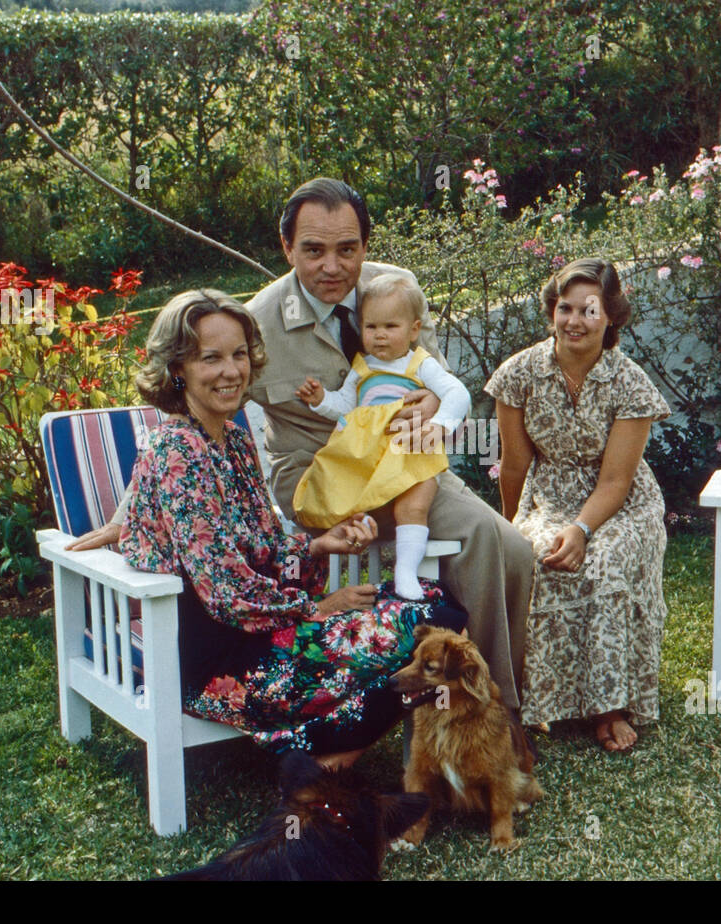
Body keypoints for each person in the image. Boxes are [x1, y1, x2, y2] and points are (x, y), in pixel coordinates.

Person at [69, 178, 533, 710]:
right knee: (473, 541)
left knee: (513, 551)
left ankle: (487, 701)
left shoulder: (395, 289)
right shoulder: (257, 320)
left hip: (401, 461)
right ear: (287, 247)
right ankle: (489, 716)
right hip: (320, 476)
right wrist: (128, 512)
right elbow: (179, 420)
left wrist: (428, 405)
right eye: (313, 250)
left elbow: (433, 378)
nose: (332, 267)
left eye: (347, 249)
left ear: (365, 245)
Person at [118, 289, 467, 768]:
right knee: (424, 628)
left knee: (436, 604)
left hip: (269, 629)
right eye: (210, 358)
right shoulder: (177, 451)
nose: (231, 371)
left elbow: (262, 546)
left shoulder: (233, 438)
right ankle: (317, 760)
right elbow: (225, 590)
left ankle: (328, 753)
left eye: (239, 355)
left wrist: (319, 545)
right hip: (224, 660)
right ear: (177, 368)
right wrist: (315, 607)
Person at [485, 258, 671, 753]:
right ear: (551, 312)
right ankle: (541, 701)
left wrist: (582, 530)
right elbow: (514, 467)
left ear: (610, 316)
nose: (574, 321)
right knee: (533, 557)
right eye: (564, 308)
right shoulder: (518, 374)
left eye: (589, 310)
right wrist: (510, 528)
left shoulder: (629, 382)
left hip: (621, 504)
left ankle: (608, 706)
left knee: (603, 563)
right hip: (549, 495)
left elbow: (615, 480)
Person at [293, 272, 471, 600]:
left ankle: (405, 571)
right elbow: (345, 407)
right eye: (372, 327)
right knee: (340, 492)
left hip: (409, 450)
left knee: (413, 506)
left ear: (414, 329)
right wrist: (320, 401)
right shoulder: (362, 369)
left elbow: (457, 394)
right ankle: (320, 575)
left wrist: (439, 425)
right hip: (367, 458)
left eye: (391, 327)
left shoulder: (419, 365)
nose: (380, 336)